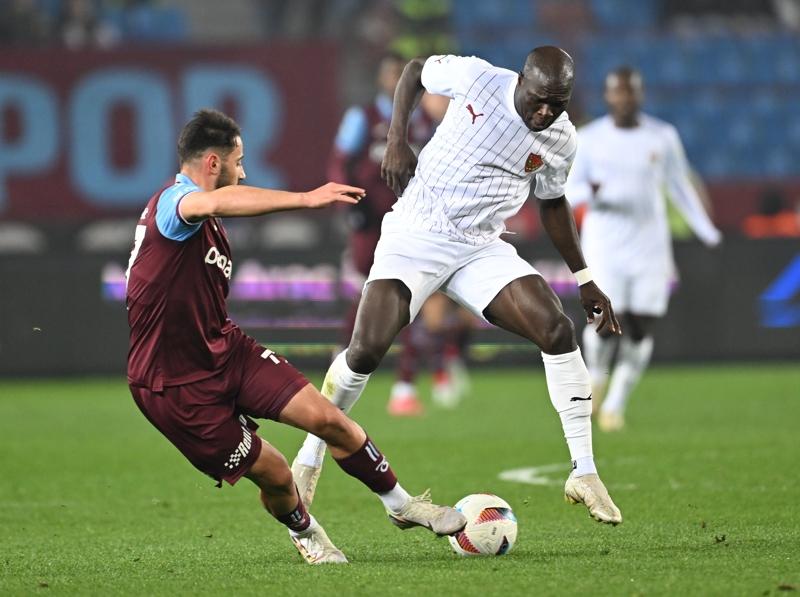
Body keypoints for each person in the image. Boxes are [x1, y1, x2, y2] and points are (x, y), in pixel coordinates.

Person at [293, 48, 624, 525]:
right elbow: (413, 71)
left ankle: (585, 472)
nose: (545, 111)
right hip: (417, 232)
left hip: (479, 248)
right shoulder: (477, 78)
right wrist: (397, 140)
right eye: (538, 99)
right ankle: (311, 454)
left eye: (558, 103)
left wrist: (585, 279)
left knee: (556, 328)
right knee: (364, 351)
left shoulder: (561, 138)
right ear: (521, 81)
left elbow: (553, 203)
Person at [125, 109, 465, 566]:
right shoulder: (175, 204)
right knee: (278, 475)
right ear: (212, 163)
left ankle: (401, 505)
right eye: (238, 162)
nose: (243, 172)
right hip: (174, 386)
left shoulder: (200, 215)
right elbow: (208, 204)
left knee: (328, 419)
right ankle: (306, 533)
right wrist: (306, 199)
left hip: (225, 350)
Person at [565, 67, 722, 432]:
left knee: (640, 326)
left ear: (640, 95)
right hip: (605, 246)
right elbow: (570, 191)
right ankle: (597, 380)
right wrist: (593, 192)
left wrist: (707, 231)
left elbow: (679, 186)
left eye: (630, 92)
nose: (624, 98)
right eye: (617, 92)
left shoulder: (662, 137)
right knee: (603, 322)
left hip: (650, 246)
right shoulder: (589, 139)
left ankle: (615, 404)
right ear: (608, 96)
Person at [329, 53, 471, 415]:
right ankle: (341, 361)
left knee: (413, 301)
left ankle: (406, 386)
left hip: (412, 222)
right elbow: (340, 163)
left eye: (401, 75)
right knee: (370, 297)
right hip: (370, 222)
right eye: (391, 74)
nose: (396, 82)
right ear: (381, 79)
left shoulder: (425, 122)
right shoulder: (362, 117)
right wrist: (349, 208)